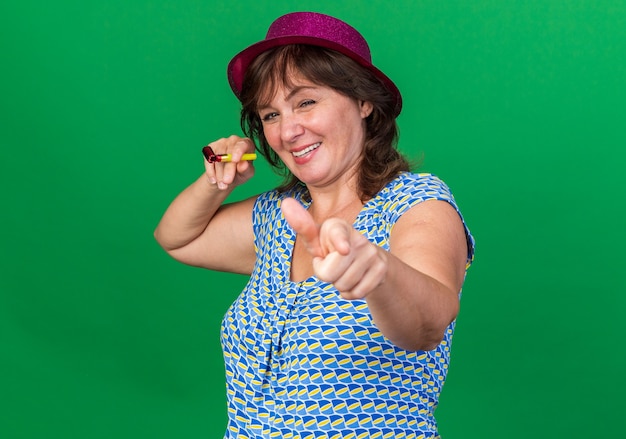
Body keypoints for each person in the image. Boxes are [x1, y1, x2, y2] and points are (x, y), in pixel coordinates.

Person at [154, 11, 475, 438]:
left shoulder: (415, 202)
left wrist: (376, 271)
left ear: (363, 101)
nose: (288, 130)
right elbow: (177, 239)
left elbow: (428, 324)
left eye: (306, 102)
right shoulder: (277, 215)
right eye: (270, 115)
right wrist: (216, 179)